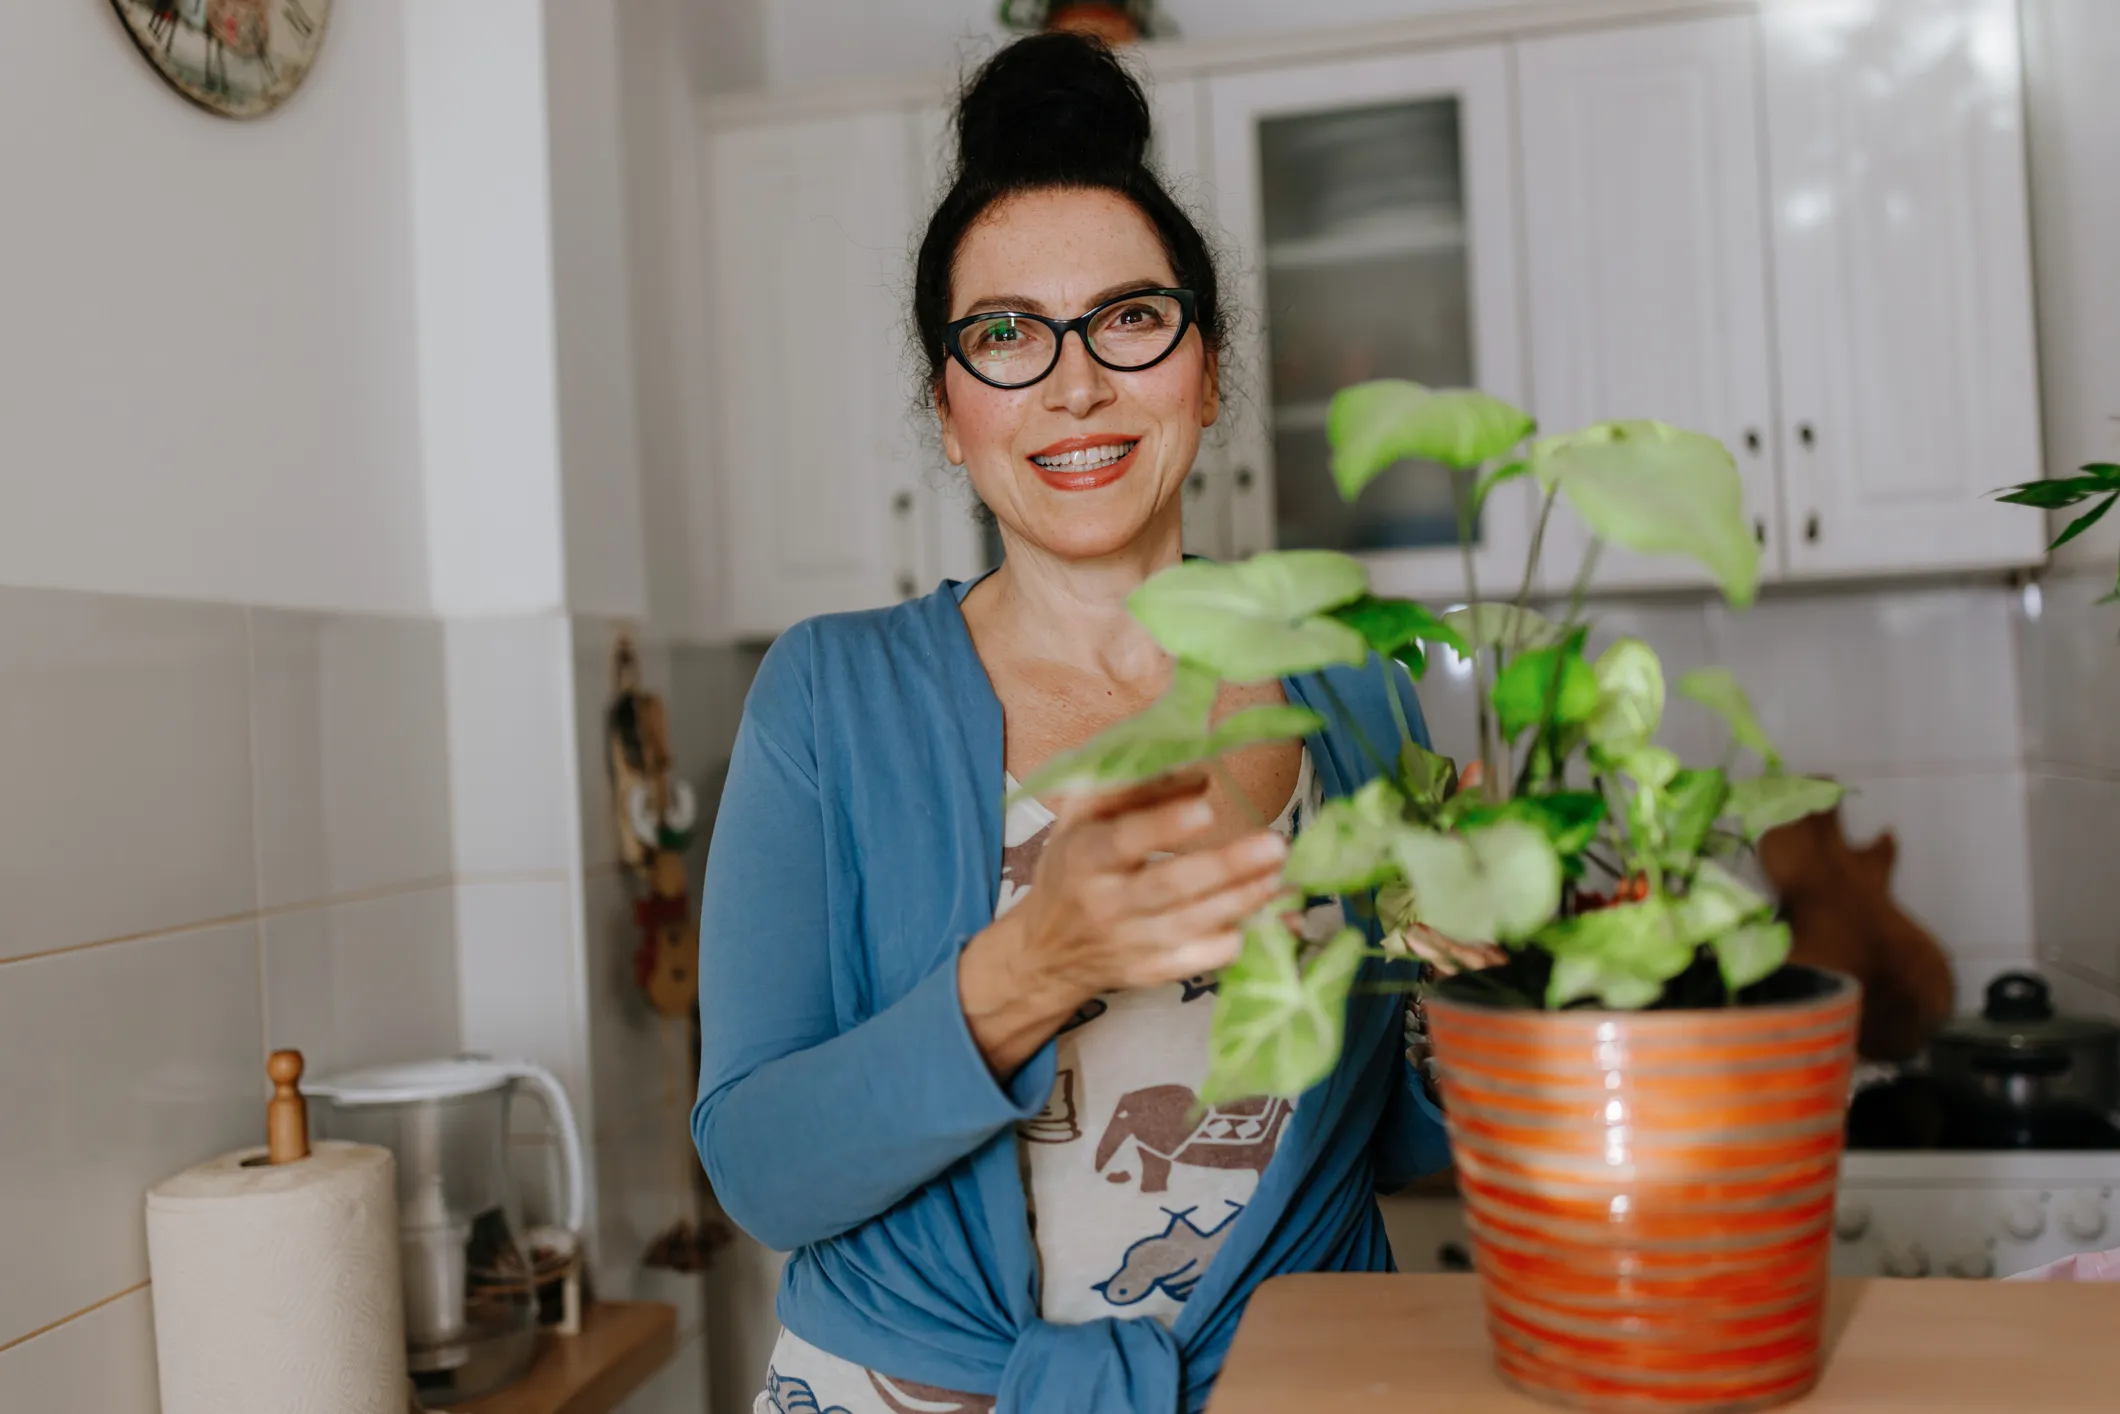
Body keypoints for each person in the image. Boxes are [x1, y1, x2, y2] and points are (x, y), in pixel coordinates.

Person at [694, 33, 1473, 1414]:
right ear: (948, 410)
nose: (1074, 384)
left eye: (1129, 318)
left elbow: (1400, 1135)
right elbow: (760, 1168)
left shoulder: (1351, 681)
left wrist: (1482, 978)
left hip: (1294, 1384)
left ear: (1208, 368)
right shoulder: (829, 695)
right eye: (1004, 335)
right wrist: (1034, 965)